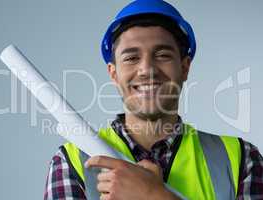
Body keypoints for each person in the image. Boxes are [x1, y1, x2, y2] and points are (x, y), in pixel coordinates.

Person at [44, 0, 263, 199]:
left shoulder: (240, 158)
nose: (147, 70)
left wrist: (154, 195)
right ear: (113, 73)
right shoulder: (70, 162)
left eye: (162, 55)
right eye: (131, 58)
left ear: (184, 67)